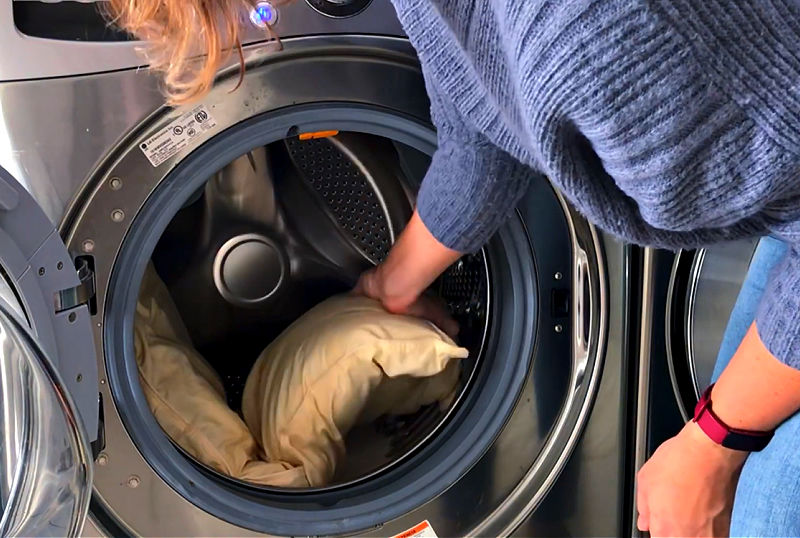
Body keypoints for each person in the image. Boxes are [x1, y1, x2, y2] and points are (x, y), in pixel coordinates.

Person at [108, 0, 800, 535]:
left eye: (255, 10)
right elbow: (483, 133)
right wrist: (391, 286)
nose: (271, 20)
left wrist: (714, 442)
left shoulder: (598, 42)